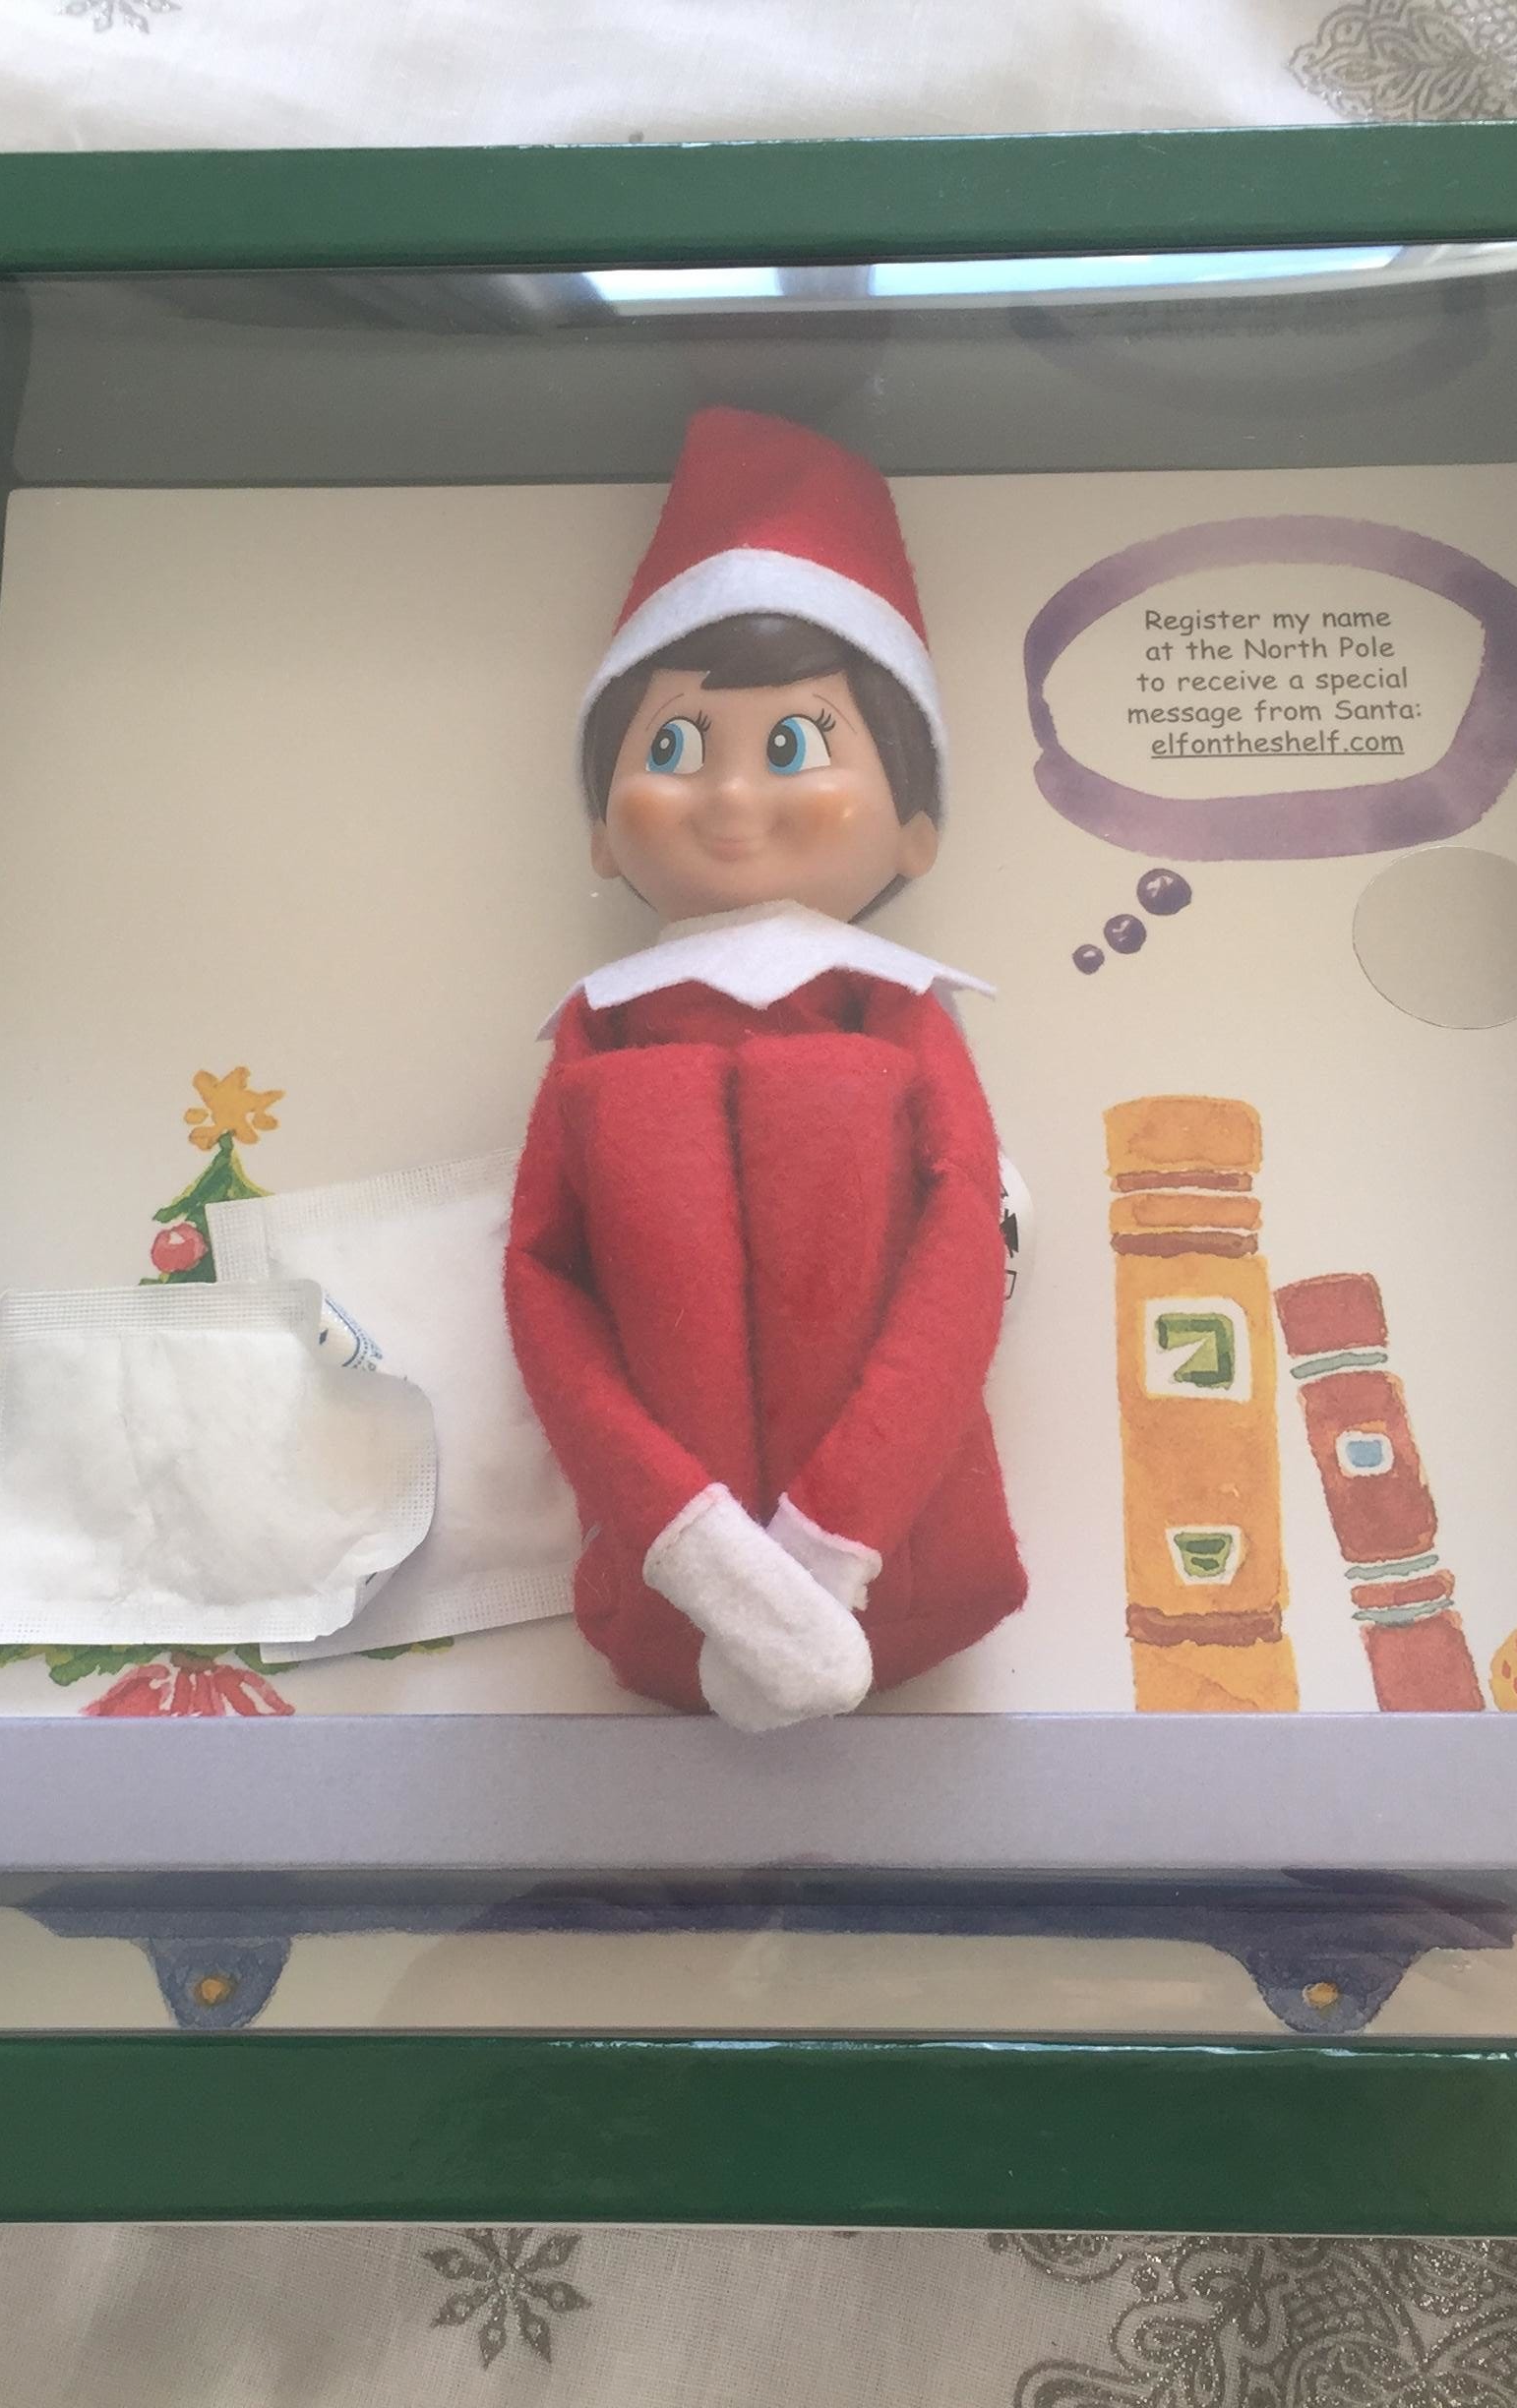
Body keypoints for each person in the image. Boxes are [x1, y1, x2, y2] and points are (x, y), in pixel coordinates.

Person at [505, 406, 1026, 1730]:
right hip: (663, 1592)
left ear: (915, 829)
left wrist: (831, 1546)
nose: (732, 798)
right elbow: (546, 1291)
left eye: (794, 745)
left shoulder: (901, 1015)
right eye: (676, 747)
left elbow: (959, 1261)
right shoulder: (599, 1033)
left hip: (904, 1565)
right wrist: (690, 1547)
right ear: (603, 833)